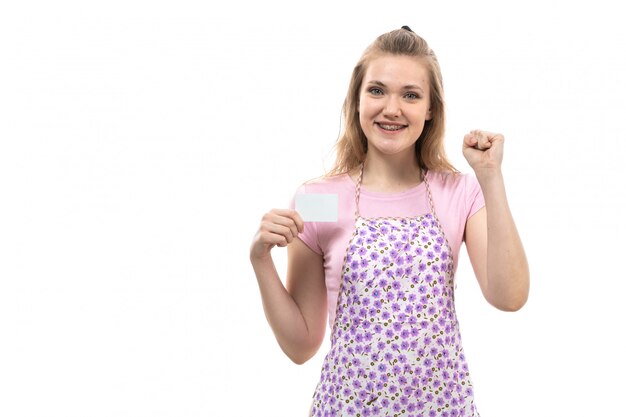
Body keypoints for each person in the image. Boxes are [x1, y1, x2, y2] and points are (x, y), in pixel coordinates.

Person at [250, 26, 529, 417]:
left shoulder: (459, 193)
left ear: (431, 109)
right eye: (377, 90)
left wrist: (490, 178)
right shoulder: (320, 201)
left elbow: (509, 296)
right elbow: (301, 346)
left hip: (442, 409)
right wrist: (260, 259)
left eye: (411, 95)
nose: (392, 108)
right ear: (357, 100)